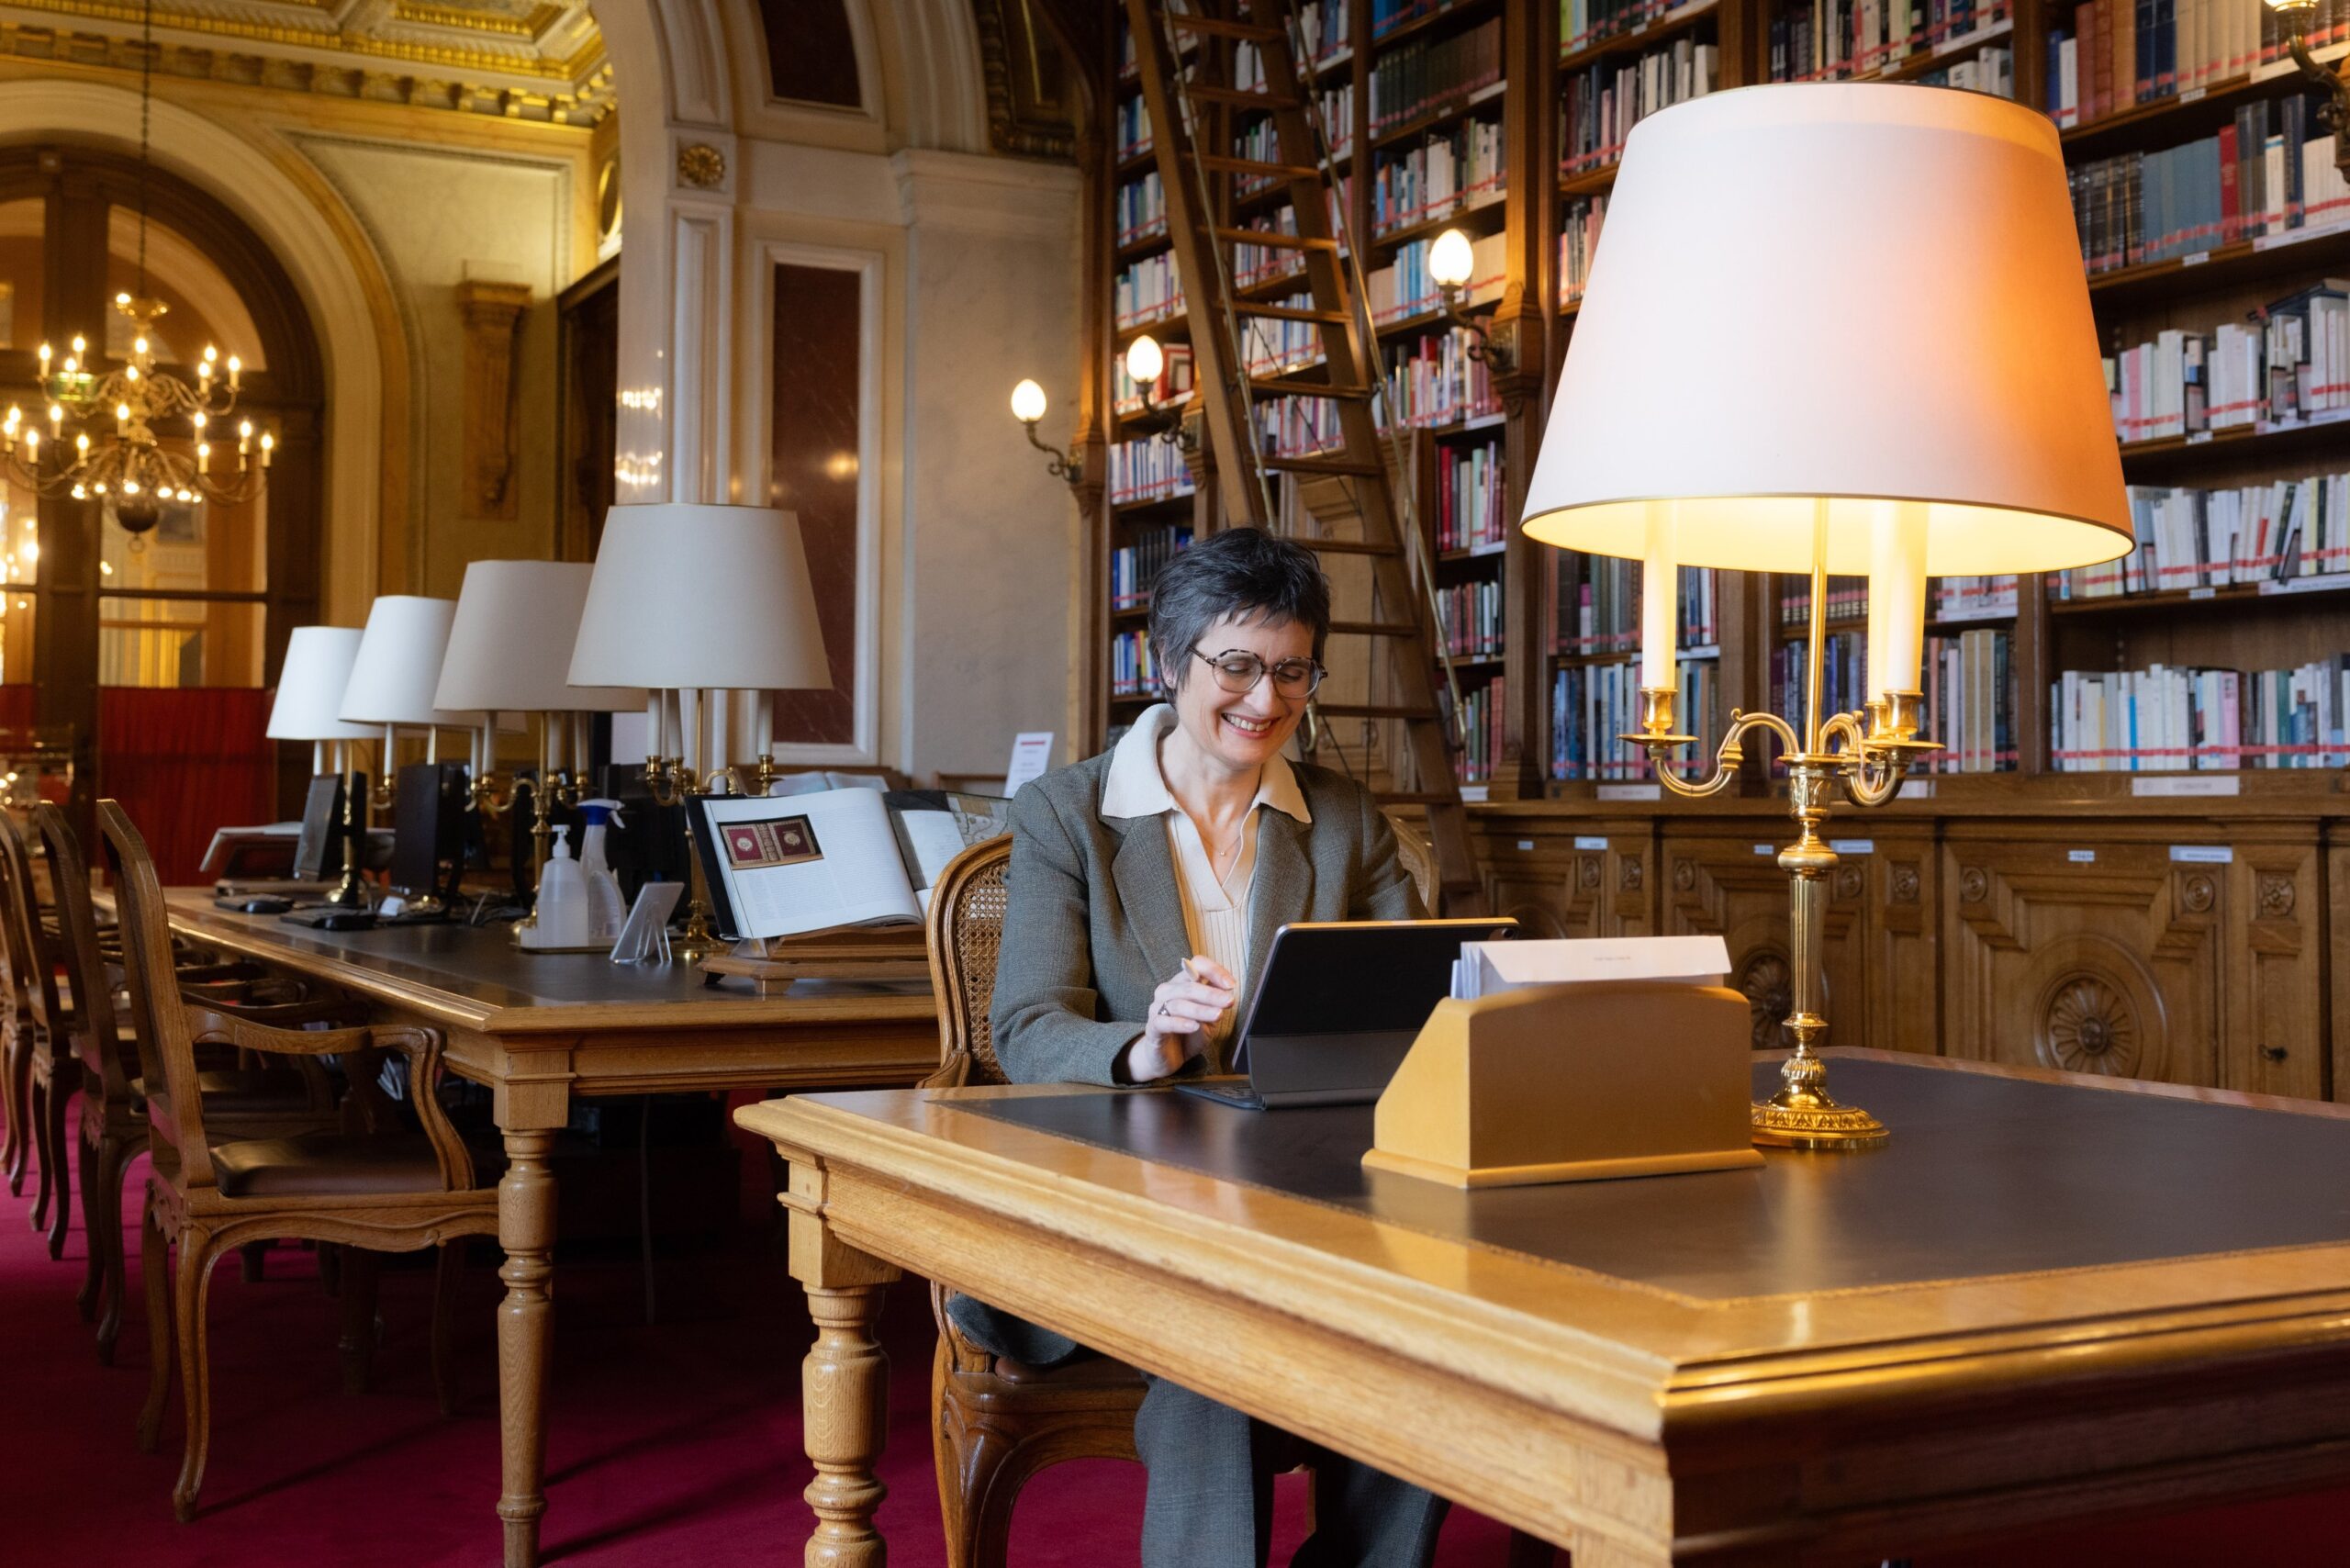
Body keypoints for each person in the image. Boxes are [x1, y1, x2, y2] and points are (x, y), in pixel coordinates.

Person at [954, 527, 1445, 1568]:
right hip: (1117, 1207)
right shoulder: (1066, 815)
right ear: (1169, 662)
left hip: (1313, 1197)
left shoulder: (1343, 819)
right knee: (1214, 1332)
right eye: (1237, 666)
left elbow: (1424, 1002)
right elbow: (1027, 1027)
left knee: (1442, 1330)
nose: (1266, 699)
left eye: (1293, 670)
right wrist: (1148, 1045)